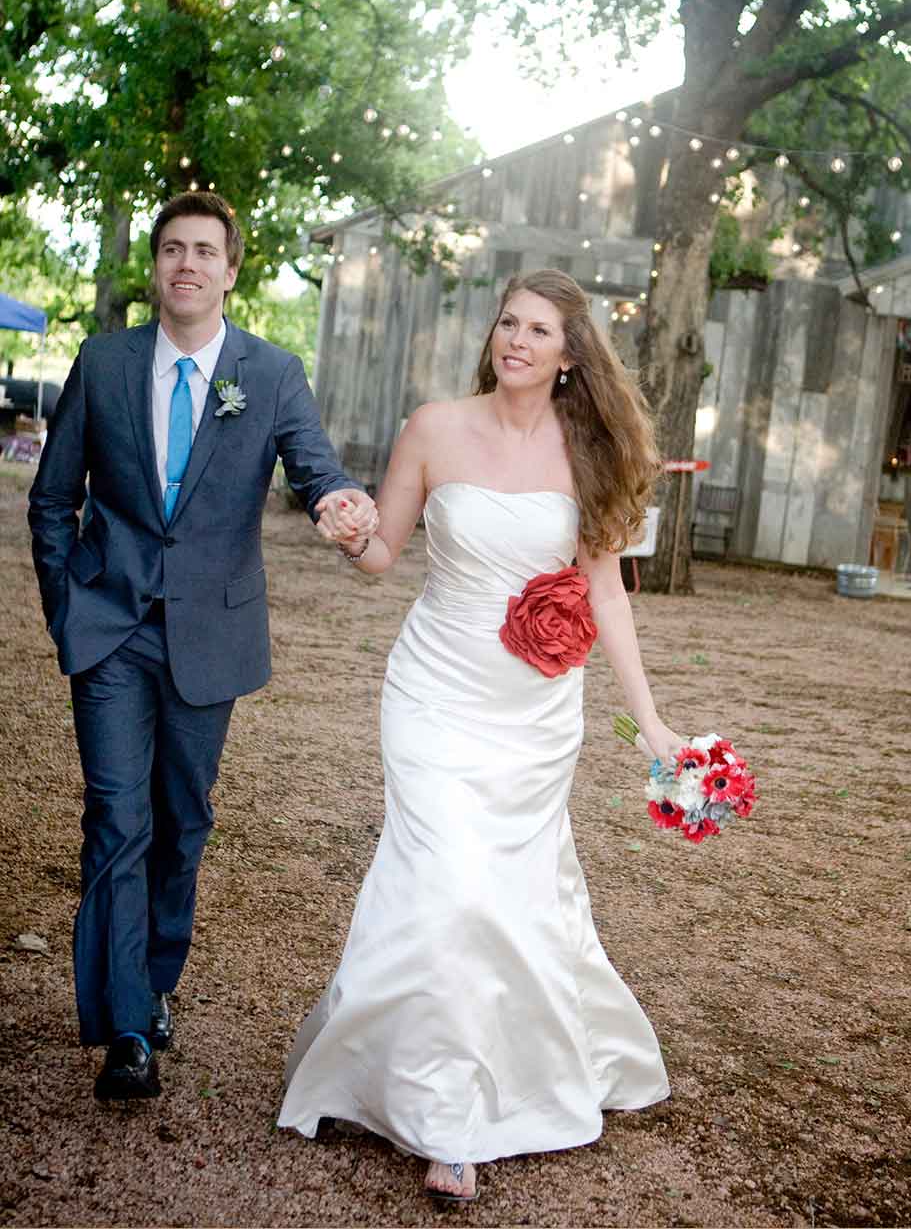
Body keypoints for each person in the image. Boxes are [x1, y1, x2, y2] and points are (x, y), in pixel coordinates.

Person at [278, 269, 680, 1205]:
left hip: (536, 713)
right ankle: (448, 1121)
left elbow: (607, 595)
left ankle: (515, 1071)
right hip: (432, 693)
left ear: (570, 355)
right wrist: (349, 532)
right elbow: (384, 556)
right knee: (447, 880)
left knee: (505, 897)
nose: (517, 340)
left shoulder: (589, 454)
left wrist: (650, 718)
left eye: (540, 330)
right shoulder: (434, 427)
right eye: (508, 322)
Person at [27, 192, 376, 1102]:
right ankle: (127, 1028)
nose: (187, 264)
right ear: (156, 267)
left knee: (182, 819)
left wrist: (339, 501)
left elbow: (314, 464)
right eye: (172, 249)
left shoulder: (269, 372)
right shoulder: (104, 363)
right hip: (110, 627)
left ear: (231, 270)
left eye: (204, 251)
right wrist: (68, 608)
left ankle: (158, 976)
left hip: (210, 633)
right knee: (115, 815)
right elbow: (52, 496)